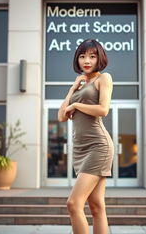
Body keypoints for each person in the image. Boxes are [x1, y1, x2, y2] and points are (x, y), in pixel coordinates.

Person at [58, 39, 114, 234]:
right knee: (97, 206)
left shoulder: (103, 78)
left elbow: (103, 109)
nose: (87, 60)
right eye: (82, 56)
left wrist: (76, 105)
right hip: (81, 148)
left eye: (92, 55)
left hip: (98, 145)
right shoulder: (80, 85)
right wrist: (72, 89)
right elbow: (61, 116)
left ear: (100, 57)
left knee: (73, 203)